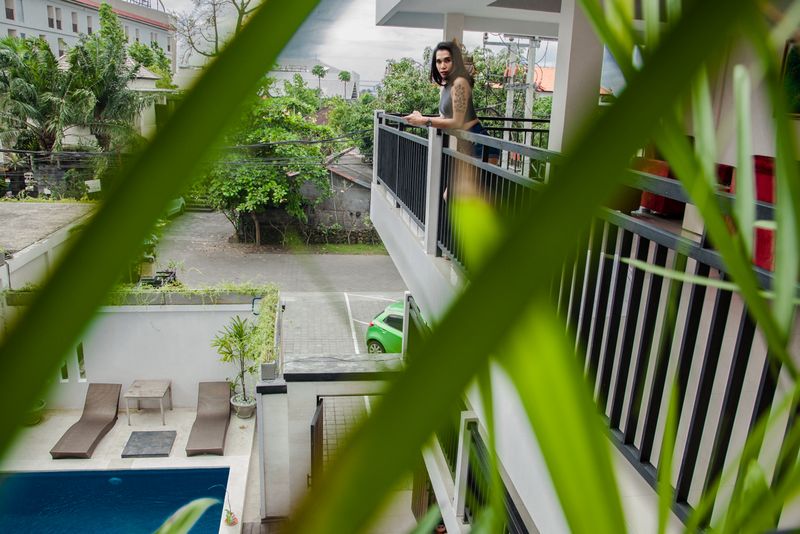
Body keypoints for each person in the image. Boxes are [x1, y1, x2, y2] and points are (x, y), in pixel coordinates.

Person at [404, 41, 500, 162]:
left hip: (480, 145)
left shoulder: (460, 83)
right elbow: (445, 118)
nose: (442, 66)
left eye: (447, 60)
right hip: (468, 144)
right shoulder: (447, 85)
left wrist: (423, 120)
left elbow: (457, 122)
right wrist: (421, 118)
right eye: (438, 61)